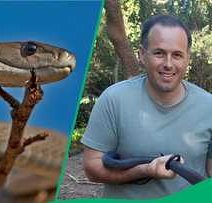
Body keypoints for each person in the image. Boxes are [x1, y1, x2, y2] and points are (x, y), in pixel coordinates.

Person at [81, 14, 212, 199]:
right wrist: (145, 170)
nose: (168, 64)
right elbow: (91, 168)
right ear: (143, 55)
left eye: (177, 55)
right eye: (159, 53)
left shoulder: (209, 107)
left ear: (187, 58)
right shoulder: (114, 99)